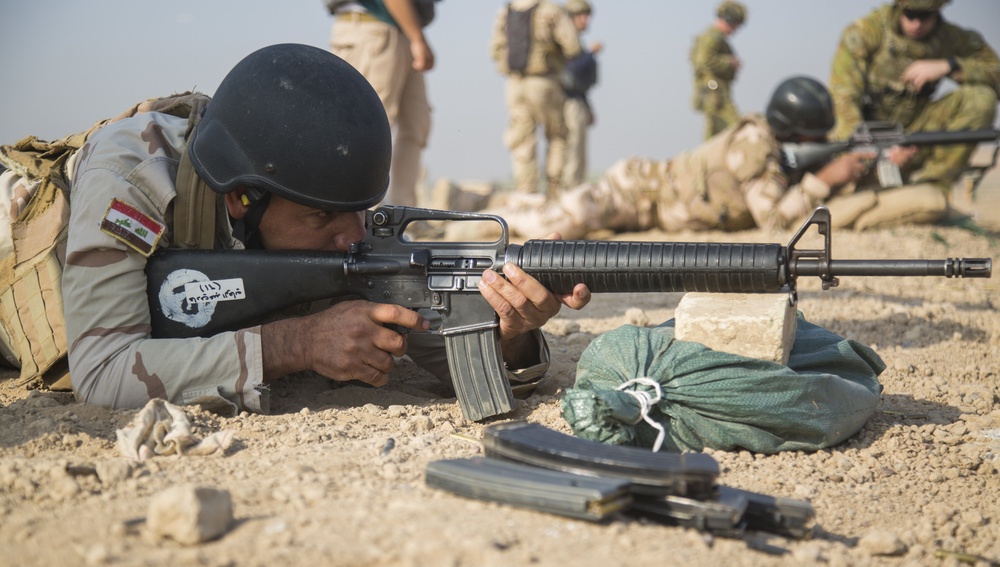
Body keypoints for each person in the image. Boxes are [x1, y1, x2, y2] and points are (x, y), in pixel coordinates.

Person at [0, 44, 590, 415]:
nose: (351, 237)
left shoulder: (332, 208)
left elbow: (449, 357)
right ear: (240, 199)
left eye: (360, 210)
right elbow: (102, 371)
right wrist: (298, 343)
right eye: (320, 217)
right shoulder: (133, 176)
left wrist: (509, 332)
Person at [485, 76, 951, 241]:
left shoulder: (774, 147)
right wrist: (825, 179)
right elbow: (771, 220)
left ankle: (501, 202)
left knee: (560, 217)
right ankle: (486, 213)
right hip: (639, 189)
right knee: (560, 222)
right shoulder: (755, 147)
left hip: (651, 206)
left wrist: (878, 170)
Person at [828, 0, 1000, 190]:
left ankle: (931, 187)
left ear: (938, 11)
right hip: (867, 141)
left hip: (917, 136)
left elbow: (995, 74)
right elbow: (843, 97)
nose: (916, 24)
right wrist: (866, 151)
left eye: (925, 16)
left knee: (981, 99)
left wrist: (951, 66)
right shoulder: (866, 32)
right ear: (899, 7)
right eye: (910, 14)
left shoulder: (952, 39)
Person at [328, 0, 437, 207]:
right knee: (371, 125)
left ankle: (404, 213)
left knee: (416, 125)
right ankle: (363, 215)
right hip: (371, 30)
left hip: (401, 30)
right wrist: (417, 37)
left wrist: (414, 36)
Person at [490, 0, 582, 198]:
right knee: (557, 135)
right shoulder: (551, 10)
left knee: (522, 140)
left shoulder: (505, 12)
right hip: (544, 81)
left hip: (514, 84)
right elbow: (573, 47)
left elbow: (495, 50)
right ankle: (554, 192)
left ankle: (527, 194)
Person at [690, 1, 747, 141]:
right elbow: (704, 60)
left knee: (715, 131)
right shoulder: (713, 37)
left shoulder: (716, 38)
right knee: (735, 127)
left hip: (716, 92)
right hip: (714, 93)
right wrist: (730, 63)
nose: (736, 29)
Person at [561, 0, 602, 189]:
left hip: (577, 101)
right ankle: (569, 193)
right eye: (581, 16)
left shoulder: (575, 41)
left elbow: (577, 85)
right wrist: (589, 54)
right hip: (566, 102)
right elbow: (568, 75)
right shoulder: (565, 42)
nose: (586, 20)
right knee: (571, 151)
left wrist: (588, 106)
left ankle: (576, 192)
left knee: (579, 152)